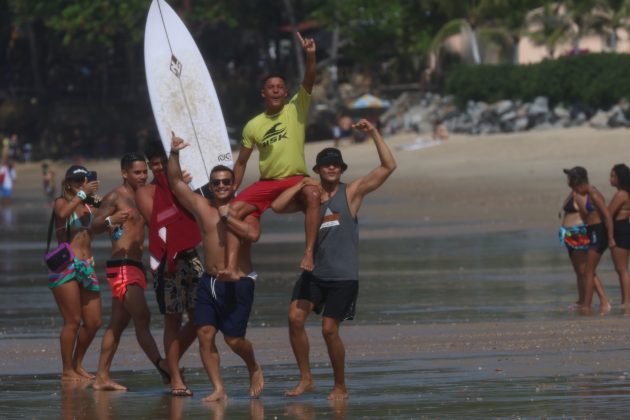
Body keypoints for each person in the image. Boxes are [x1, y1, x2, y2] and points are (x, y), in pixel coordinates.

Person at [271, 118, 396, 400]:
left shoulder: (351, 193)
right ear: (317, 169)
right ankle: (306, 379)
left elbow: (389, 167)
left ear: (341, 170)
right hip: (314, 272)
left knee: (329, 330)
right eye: (326, 164)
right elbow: (277, 207)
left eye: (336, 165)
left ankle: (340, 385)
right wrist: (301, 185)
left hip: (342, 276)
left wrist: (374, 132)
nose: (331, 167)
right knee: (294, 318)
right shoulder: (310, 198)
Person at [168, 133, 264, 402]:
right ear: (209, 186)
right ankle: (218, 388)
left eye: (226, 182)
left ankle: (253, 365)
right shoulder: (202, 207)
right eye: (216, 182)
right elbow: (175, 182)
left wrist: (229, 218)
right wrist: (174, 153)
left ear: (234, 184)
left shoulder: (245, 208)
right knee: (205, 334)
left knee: (234, 340)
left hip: (239, 280)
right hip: (209, 281)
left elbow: (253, 235)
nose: (221, 186)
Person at [224, 32, 320, 278]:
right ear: (263, 93)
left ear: (286, 93)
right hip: (267, 184)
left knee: (313, 193)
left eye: (280, 88)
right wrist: (232, 189)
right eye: (271, 88)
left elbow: (309, 80)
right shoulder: (253, 125)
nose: (276, 91)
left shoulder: (296, 109)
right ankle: (233, 266)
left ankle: (309, 252)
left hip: (296, 180)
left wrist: (311, 57)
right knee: (231, 211)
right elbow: (242, 162)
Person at [90, 152, 169, 391]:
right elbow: (92, 226)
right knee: (142, 317)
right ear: (125, 173)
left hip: (137, 266)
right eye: (137, 172)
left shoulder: (145, 195)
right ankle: (163, 366)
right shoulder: (116, 196)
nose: (142, 176)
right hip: (121, 266)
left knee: (117, 324)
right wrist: (111, 219)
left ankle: (101, 377)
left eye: (144, 171)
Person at [136, 142, 203, 396]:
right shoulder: (146, 191)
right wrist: (176, 190)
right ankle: (175, 377)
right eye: (153, 163)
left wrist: (181, 187)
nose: (157, 167)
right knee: (172, 319)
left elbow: (197, 210)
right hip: (165, 260)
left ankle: (168, 364)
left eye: (161, 162)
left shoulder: (181, 183)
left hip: (189, 254)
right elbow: (159, 221)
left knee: (200, 318)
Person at [48, 165, 103, 381]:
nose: (82, 183)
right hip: (67, 266)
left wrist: (112, 222)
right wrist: (82, 194)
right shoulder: (61, 202)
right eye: (78, 180)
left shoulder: (90, 205)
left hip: (87, 266)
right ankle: (67, 369)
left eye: (85, 179)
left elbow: (103, 219)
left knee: (94, 321)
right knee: (73, 321)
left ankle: (78, 363)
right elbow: (62, 214)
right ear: (68, 182)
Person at [564, 166, 614, 313]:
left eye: (572, 185)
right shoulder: (586, 193)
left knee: (588, 270)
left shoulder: (593, 194)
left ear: (579, 183)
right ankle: (588, 304)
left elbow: (607, 216)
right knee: (588, 271)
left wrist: (610, 238)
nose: (573, 190)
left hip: (598, 233)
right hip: (592, 231)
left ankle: (593, 304)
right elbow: (588, 216)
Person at [558, 186, 607, 309]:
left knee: (586, 270)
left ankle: (604, 300)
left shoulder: (583, 194)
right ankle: (581, 299)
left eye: (570, 178)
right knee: (578, 271)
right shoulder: (573, 192)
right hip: (569, 234)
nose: (567, 181)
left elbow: (588, 214)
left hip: (578, 233)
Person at [608, 163, 630, 305]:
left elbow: (608, 214)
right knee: (623, 269)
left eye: (613, 176)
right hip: (625, 228)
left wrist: (609, 237)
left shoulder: (621, 194)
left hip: (620, 230)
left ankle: (626, 302)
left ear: (619, 178)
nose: (610, 179)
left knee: (622, 269)